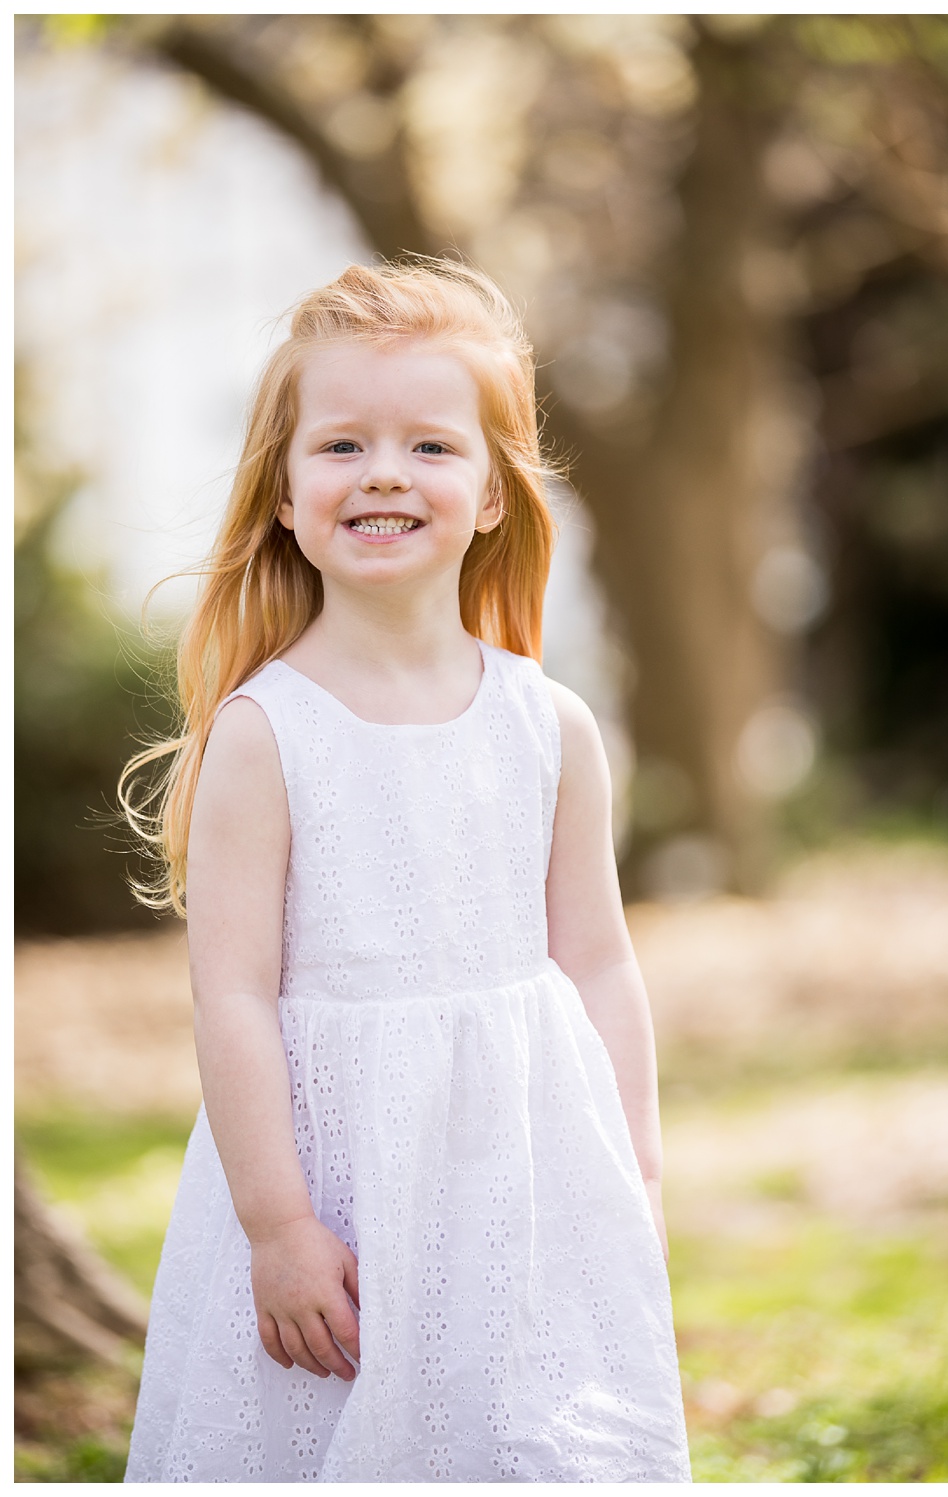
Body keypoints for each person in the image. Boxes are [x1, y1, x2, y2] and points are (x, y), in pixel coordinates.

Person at [119, 261, 690, 1481]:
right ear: (282, 494)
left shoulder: (549, 725)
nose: (383, 471)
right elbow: (231, 995)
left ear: (492, 496)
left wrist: (635, 1171)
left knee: (526, 1436)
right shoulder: (268, 734)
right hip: (328, 1176)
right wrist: (278, 1226)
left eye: (431, 445)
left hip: (519, 1173)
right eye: (341, 445)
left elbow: (595, 960)